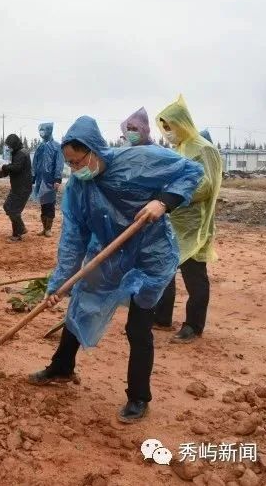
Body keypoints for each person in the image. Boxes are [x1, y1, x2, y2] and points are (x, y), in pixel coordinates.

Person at [27, 116, 204, 423]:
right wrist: (60, 283)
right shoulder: (77, 191)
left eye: (78, 161)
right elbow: (73, 241)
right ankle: (62, 366)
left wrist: (163, 202)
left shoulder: (139, 160)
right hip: (108, 257)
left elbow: (192, 171)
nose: (74, 169)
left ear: (94, 150)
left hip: (150, 255)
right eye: (68, 163)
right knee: (80, 303)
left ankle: (138, 397)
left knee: (137, 327)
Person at [153, 96, 223, 343]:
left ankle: (194, 325)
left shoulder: (204, 148)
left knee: (194, 276)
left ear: (182, 123)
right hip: (176, 221)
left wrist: (174, 194)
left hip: (196, 224)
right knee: (166, 270)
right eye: (165, 128)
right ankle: (162, 318)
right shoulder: (180, 148)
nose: (168, 132)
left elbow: (207, 186)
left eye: (170, 127)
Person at [0, 134, 32, 241]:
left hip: (22, 188)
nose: (8, 147)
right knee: (9, 207)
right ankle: (17, 232)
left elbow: (16, 168)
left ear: (14, 144)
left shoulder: (21, 153)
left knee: (12, 209)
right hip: (19, 187)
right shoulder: (19, 152)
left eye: (9, 145)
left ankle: (18, 232)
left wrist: (3, 167)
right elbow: (15, 168)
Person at [32, 122, 64, 237]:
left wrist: (57, 179)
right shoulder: (40, 147)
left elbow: (59, 163)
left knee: (50, 203)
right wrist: (33, 177)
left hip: (50, 181)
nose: (41, 132)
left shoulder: (56, 146)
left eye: (43, 130)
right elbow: (35, 163)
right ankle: (44, 228)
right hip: (40, 181)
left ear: (49, 130)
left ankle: (49, 229)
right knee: (43, 204)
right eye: (40, 130)